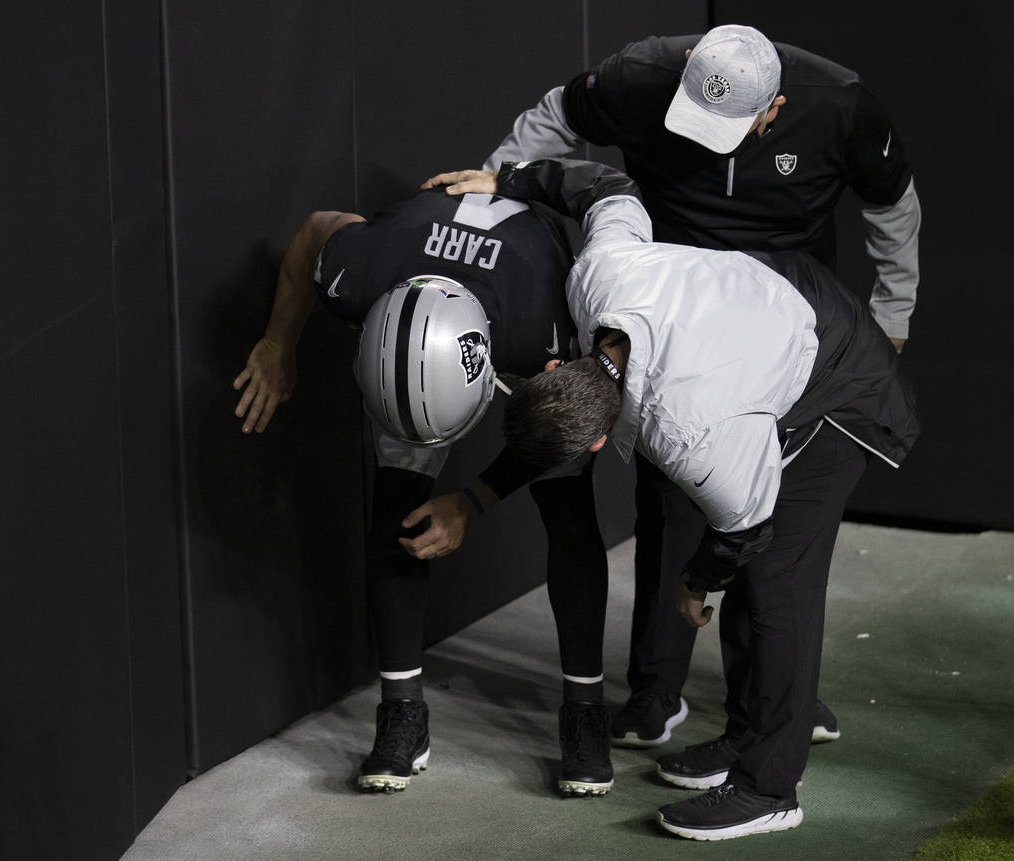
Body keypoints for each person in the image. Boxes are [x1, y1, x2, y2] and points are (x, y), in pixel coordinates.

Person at [421, 158, 918, 839]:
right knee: (744, 563)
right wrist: (508, 178)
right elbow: (608, 187)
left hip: (840, 384)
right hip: (771, 304)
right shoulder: (599, 280)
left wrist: (697, 582)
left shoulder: (690, 432)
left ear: (593, 442)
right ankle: (745, 735)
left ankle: (770, 787)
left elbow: (747, 520)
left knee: (776, 586)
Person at [477, 23, 921, 747]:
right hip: (666, 305)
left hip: (783, 318)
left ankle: (770, 698)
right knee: (667, 506)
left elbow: (894, 210)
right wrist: (496, 189)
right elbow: (568, 140)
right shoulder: (636, 80)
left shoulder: (840, 105)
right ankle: (657, 691)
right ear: (685, 69)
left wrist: (892, 315)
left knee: (761, 526)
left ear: (773, 111)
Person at [232, 180, 639, 796]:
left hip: (529, 321)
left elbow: (567, 432)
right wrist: (277, 344)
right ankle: (401, 713)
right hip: (418, 303)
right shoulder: (361, 272)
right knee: (399, 509)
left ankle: (583, 710)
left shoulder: (551, 322)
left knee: (569, 507)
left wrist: (472, 500)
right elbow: (316, 229)